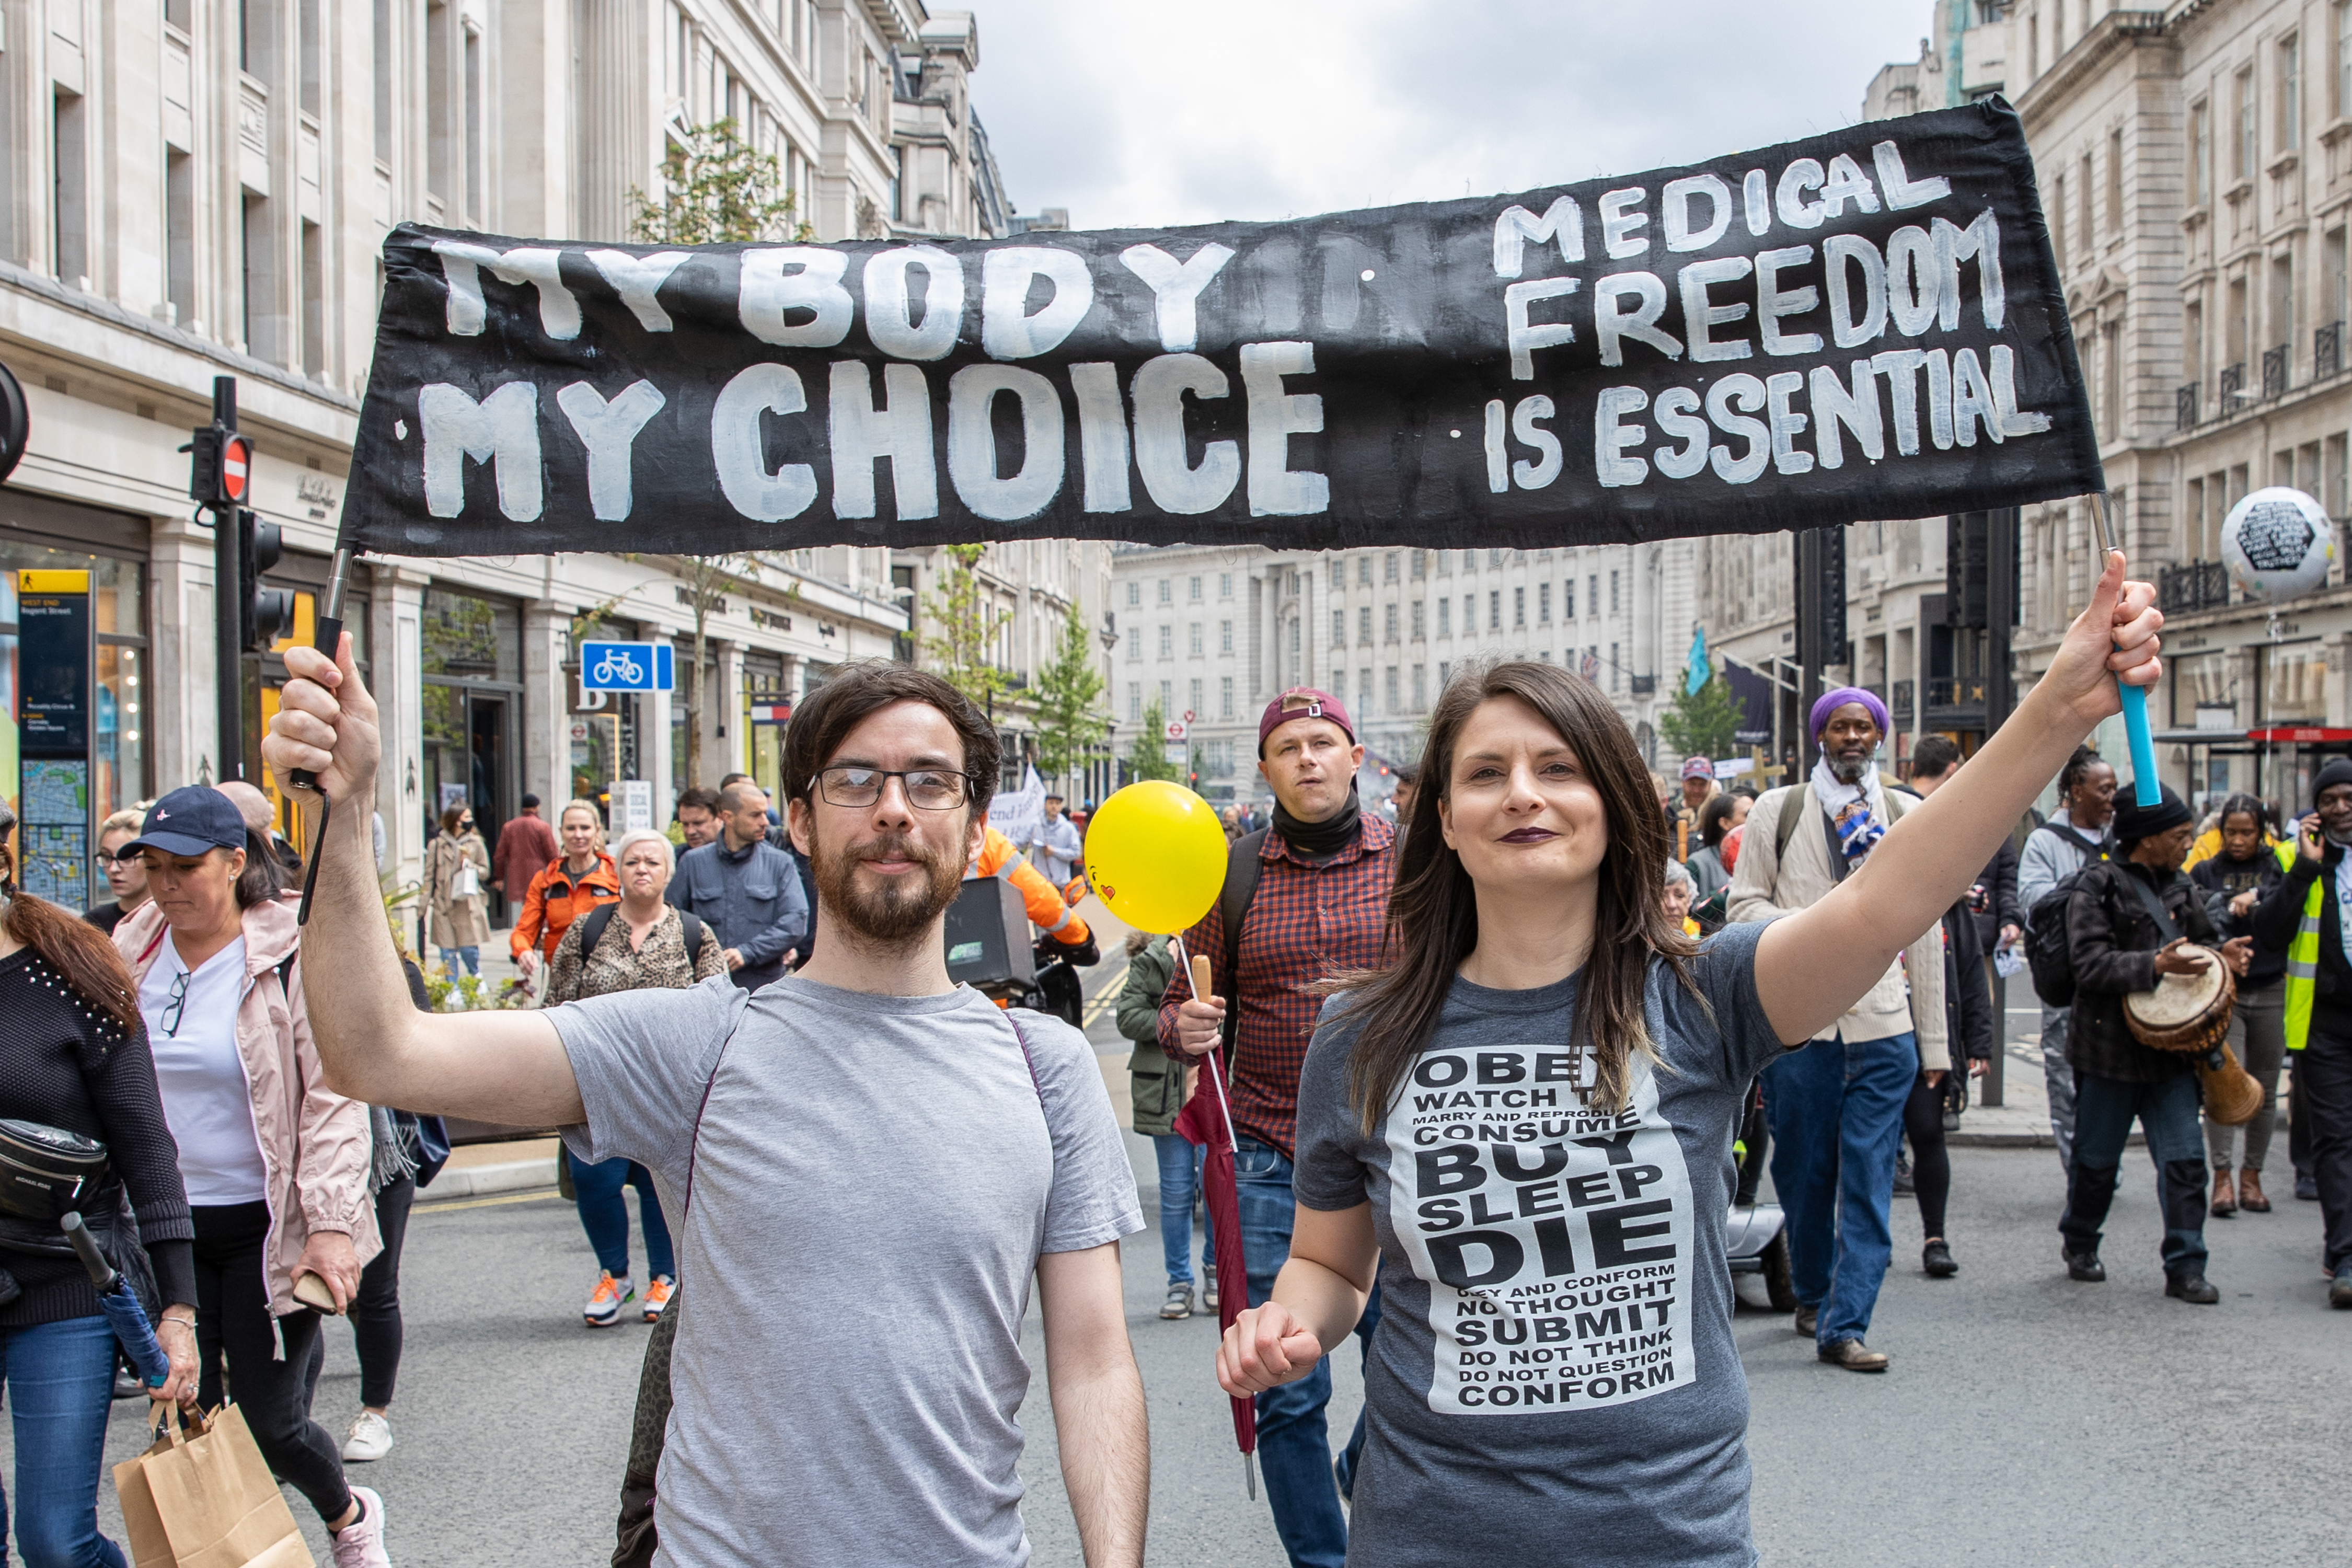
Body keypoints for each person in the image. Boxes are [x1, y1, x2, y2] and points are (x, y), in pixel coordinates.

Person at [1215, 559, 2161, 1565]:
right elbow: (1330, 1261)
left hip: (1667, 1536)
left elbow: (1887, 900)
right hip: (1430, 1536)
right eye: (1486, 774)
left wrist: (2059, 709)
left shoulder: (1707, 995)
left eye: (1560, 768)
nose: (1522, 794)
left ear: (1615, 804)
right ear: (1442, 820)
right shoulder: (1362, 1036)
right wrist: (1288, 1324)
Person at [265, 648, 1148, 1567]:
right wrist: (349, 806)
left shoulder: (1044, 1066)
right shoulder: (699, 1045)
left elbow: (1092, 1365)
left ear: (972, 834)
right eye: (857, 779)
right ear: (799, 823)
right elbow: (378, 1052)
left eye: (930, 783)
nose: (893, 807)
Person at [113, 787, 391, 1566]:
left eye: (187, 868)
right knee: (195, 1417)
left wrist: (332, 1225)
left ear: (236, 863)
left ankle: (348, 1515)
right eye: (154, 868)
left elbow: (334, 1095)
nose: (167, 885)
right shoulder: (127, 949)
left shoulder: (292, 951)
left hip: (269, 1226)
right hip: (164, 1227)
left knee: (271, 1423)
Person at [1161, 686, 1394, 1566]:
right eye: (1288, 746)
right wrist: (1182, 1025)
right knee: (1288, 1386)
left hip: (1397, 1158)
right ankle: (1323, 1562)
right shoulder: (1232, 871)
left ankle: (1367, 1464)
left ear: (1354, 757)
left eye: (1323, 742)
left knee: (1417, 1377)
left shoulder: (1416, 863)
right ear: (1265, 769)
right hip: (1271, 1159)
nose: (1307, 758)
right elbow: (1182, 1002)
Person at [0, 801, 200, 1568]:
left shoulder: (74, 971)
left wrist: (178, 1309)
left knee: (55, 1541)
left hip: (67, 1288)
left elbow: (147, 1146)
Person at [1727, 686, 1945, 1371]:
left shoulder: (1909, 813)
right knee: (1803, 1171)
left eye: (1865, 727)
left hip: (1883, 1031)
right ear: (1821, 736)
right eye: (1841, 727)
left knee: (1870, 1177)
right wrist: (1812, 931)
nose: (1853, 737)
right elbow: (1743, 906)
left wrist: (1933, 1040)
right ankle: (1815, 1293)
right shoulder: (1778, 810)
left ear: (1880, 736)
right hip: (1802, 1027)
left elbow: (1928, 932)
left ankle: (1845, 1324)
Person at [2060, 783, 2250, 1303]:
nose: (2189, 844)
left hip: (2172, 1054)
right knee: (2096, 1162)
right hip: (2107, 1053)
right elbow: (2089, 965)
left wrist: (2223, 956)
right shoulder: (2095, 884)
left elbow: (2205, 944)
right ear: (2147, 839)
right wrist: (2153, 965)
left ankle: (2186, 1264)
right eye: (2180, 836)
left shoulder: (2181, 885)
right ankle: (2080, 1239)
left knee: (2186, 1162)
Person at [545, 829, 726, 1327]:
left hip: (668, 1091)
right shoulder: (586, 931)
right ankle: (613, 1275)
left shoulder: (694, 933)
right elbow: (553, 1008)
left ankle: (663, 1278)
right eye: (631, 862)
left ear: (669, 873)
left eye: (652, 861)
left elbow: (717, 1014)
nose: (642, 869)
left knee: (657, 1185)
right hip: (594, 1083)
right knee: (595, 1183)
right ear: (617, 871)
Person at [2250, 760, 2352, 1307]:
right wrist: (2305, 871)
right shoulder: (2295, 858)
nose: (2340, 808)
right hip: (2324, 1025)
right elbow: (2269, 933)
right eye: (2329, 799)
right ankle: (2347, 1254)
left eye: (2348, 797)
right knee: (2335, 1140)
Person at [340, 954, 446, 1466]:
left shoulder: (390, 969)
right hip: (296, 1142)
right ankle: (282, 1423)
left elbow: (419, 1048)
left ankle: (375, 1413)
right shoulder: (271, 964)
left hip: (384, 1143)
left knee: (376, 1286)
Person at [1903, 744, 1998, 1277]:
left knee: (1929, 1133)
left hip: (1928, 1037)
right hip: (1873, 1034)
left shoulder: (1949, 902)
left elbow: (1968, 973)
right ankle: (1863, 1241)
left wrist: (1977, 1042)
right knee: (1866, 1149)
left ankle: (1934, 1235)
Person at [2018, 746, 2118, 1173]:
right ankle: (2079, 1172)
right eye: (2104, 788)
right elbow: (2031, 900)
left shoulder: (2123, 838)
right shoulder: (2045, 841)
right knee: (2065, 1080)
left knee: (2111, 1079)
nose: (2112, 797)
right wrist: (2087, 892)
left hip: (2116, 979)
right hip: (2067, 982)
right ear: (2076, 791)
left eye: (2115, 788)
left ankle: (2102, 1164)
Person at [2192, 794, 2287, 1217]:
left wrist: (2260, 895)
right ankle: (2223, 1177)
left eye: (2247, 832)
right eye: (2231, 832)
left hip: (2269, 989)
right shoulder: (2206, 871)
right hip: (2223, 992)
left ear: (2262, 832)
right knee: (2223, 1082)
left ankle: (2253, 1175)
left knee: (2264, 1088)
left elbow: (2289, 903)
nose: (2238, 840)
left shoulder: (2274, 869)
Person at [1116, 929, 1215, 1319]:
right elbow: (1127, 1016)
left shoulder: (1216, 950)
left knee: (1215, 1190)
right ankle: (1179, 1283)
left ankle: (1214, 1275)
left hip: (1210, 1092)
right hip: (1166, 1099)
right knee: (1175, 1194)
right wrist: (1175, 1022)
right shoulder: (1151, 959)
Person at [667, 782, 809, 991]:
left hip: (763, 990)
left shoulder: (779, 863)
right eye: (755, 815)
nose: (765, 822)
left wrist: (747, 953)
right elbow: (670, 920)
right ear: (728, 817)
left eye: (765, 814)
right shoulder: (692, 863)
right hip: (706, 989)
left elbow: (796, 922)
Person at [510, 801, 620, 985]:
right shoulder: (546, 879)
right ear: (561, 832)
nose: (578, 835)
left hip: (609, 978)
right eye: (571, 828)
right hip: (562, 980)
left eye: (585, 828)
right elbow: (524, 930)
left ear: (597, 831)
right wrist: (523, 952)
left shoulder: (618, 874)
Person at [424, 803, 491, 976]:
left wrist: (470, 865)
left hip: (466, 905)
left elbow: (485, 872)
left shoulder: (476, 843)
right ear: (456, 821)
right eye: (466, 818)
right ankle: (452, 990)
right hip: (444, 905)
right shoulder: (437, 845)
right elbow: (428, 878)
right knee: (447, 952)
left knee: (469, 950)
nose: (470, 821)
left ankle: (476, 979)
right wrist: (422, 906)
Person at [83, 805, 152, 936]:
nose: (113, 869)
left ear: (151, 860)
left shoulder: (171, 922)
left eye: (126, 858)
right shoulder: (93, 924)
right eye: (107, 857)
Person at [490, 792, 557, 902]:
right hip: (539, 873)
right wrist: (557, 874)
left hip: (517, 876)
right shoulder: (543, 827)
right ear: (537, 807)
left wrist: (499, 877)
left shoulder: (509, 827)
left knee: (526, 908)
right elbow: (552, 854)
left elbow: (499, 856)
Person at [1685, 794, 1742, 901]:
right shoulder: (1696, 863)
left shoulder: (1759, 859)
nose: (1753, 820)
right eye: (1747, 815)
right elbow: (1691, 908)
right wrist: (1730, 891)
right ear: (1725, 823)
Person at [1025, 792, 1083, 885]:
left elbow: (1076, 853)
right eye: (1051, 803)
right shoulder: (1036, 826)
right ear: (1045, 805)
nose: (1054, 806)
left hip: (1061, 883)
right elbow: (1020, 841)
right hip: (1040, 883)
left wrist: (1054, 851)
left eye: (1057, 804)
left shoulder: (1068, 828)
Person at [673, 787, 723, 852]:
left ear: (720, 819)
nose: (690, 832)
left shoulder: (738, 857)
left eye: (698, 823)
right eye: (685, 824)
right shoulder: (677, 858)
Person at [1663, 859, 1700, 936]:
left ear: (1689, 900)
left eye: (1680, 896)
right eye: (1663, 896)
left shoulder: (1697, 940)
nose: (1672, 905)